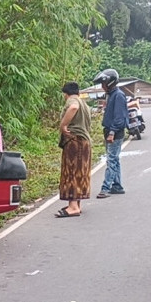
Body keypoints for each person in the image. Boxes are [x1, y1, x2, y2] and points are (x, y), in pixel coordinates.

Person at [55, 82, 92, 217]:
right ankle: (76, 204)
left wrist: (63, 125)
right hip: (85, 142)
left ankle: (73, 207)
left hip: (75, 142)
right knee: (80, 173)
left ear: (66, 94)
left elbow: (73, 107)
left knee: (71, 172)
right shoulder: (84, 103)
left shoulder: (73, 100)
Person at [93, 68, 128, 198]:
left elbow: (119, 118)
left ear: (110, 82)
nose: (102, 86)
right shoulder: (111, 95)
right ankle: (117, 186)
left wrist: (112, 132)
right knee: (115, 160)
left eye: (103, 83)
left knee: (111, 160)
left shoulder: (118, 95)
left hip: (115, 132)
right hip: (110, 131)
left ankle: (106, 188)